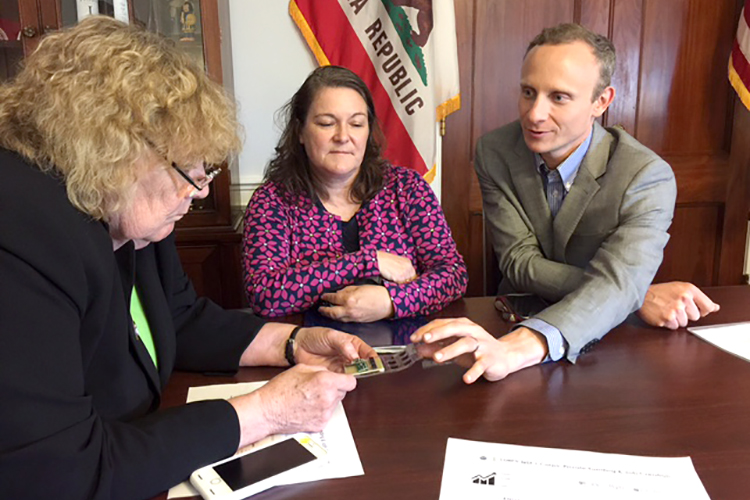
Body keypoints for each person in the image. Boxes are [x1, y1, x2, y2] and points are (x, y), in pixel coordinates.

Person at [0, 17, 377, 500]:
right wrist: (265, 412)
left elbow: (180, 319)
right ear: (112, 150)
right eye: (188, 168)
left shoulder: (126, 210)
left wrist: (294, 342)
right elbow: (61, 471)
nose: (199, 189)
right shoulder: (24, 237)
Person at [411, 23, 719, 383]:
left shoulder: (646, 175)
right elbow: (519, 262)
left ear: (600, 102)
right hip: (512, 318)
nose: (534, 114)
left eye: (559, 97)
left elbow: (618, 285)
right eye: (528, 92)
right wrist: (633, 293)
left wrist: (622, 292)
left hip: (605, 342)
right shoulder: (493, 151)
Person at [242, 65, 468, 323]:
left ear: (368, 131)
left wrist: (391, 302)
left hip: (407, 348)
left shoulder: (407, 188)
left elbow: (453, 274)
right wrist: (366, 262)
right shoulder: (271, 201)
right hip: (312, 350)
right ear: (301, 131)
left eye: (356, 124)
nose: (343, 136)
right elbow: (264, 294)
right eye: (326, 123)